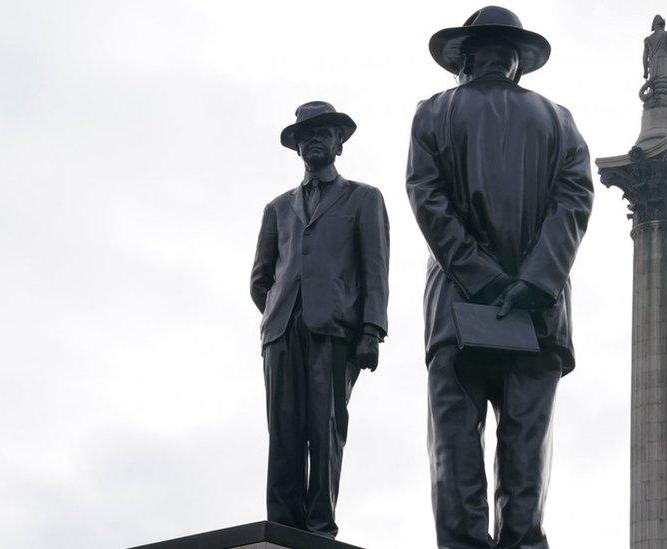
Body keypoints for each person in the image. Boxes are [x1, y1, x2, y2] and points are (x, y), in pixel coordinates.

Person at [407, 7, 594, 548]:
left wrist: (481, 278)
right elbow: (574, 201)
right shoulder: (559, 120)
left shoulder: (434, 112)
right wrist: (536, 280)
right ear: (518, 62)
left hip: (458, 308)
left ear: (464, 57)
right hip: (539, 313)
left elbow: (428, 198)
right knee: (526, 455)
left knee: (455, 451)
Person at [250, 101, 389, 539]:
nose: (314, 140)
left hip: (335, 332)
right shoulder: (277, 207)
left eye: (324, 133)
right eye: (306, 135)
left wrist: (370, 329)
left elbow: (375, 269)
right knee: (283, 434)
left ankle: (318, 530)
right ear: (296, 147)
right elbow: (260, 278)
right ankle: (282, 527)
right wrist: (280, 311)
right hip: (282, 331)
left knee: (325, 429)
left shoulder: (364, 198)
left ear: (339, 144)